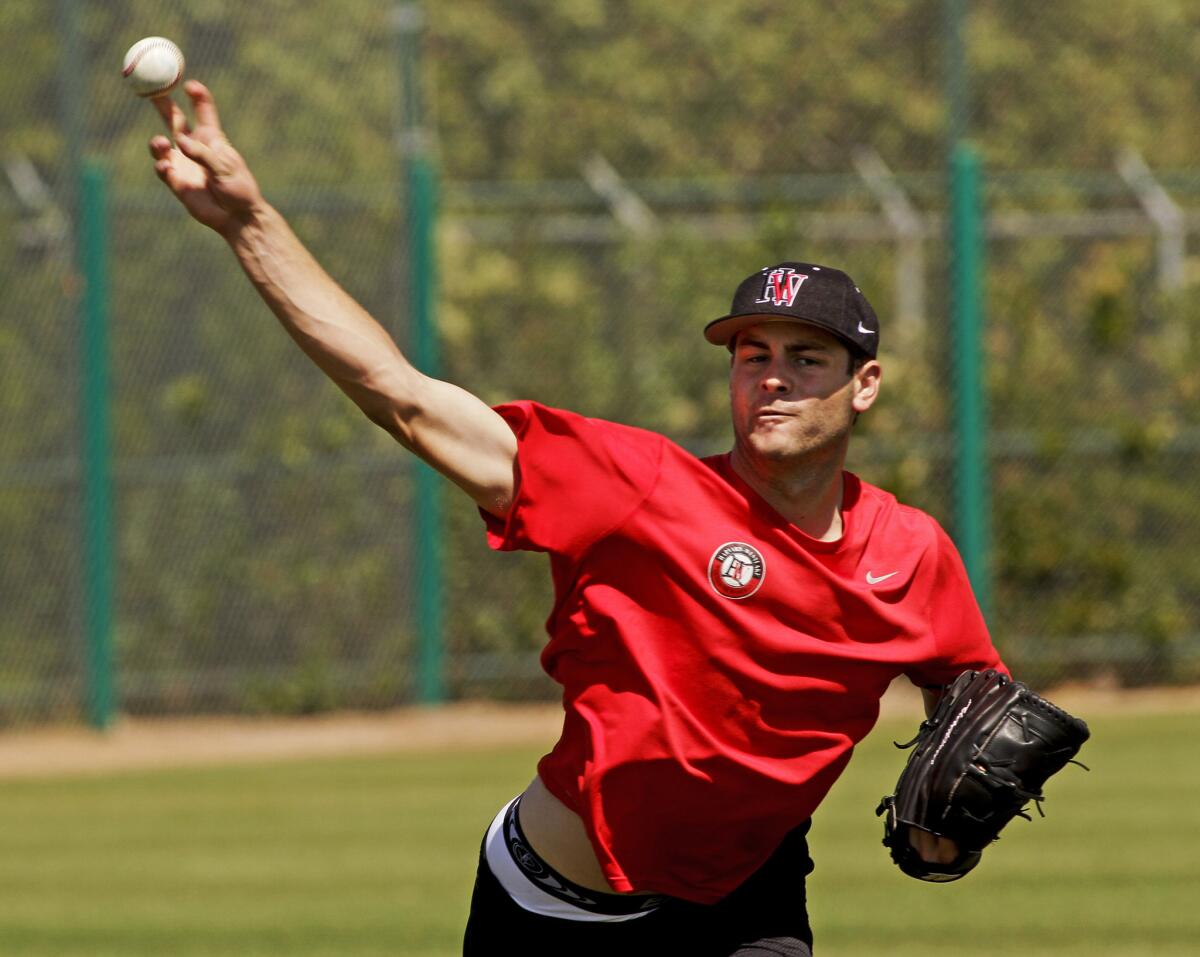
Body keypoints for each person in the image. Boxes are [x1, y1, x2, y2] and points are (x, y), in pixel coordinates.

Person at [147, 81, 1007, 956]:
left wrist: (956, 822)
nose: (772, 377)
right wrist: (248, 223)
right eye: (753, 355)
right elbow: (401, 396)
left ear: (865, 383)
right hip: (556, 909)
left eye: (806, 357)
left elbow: (976, 702)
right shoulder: (639, 486)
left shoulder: (910, 553)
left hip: (749, 900)